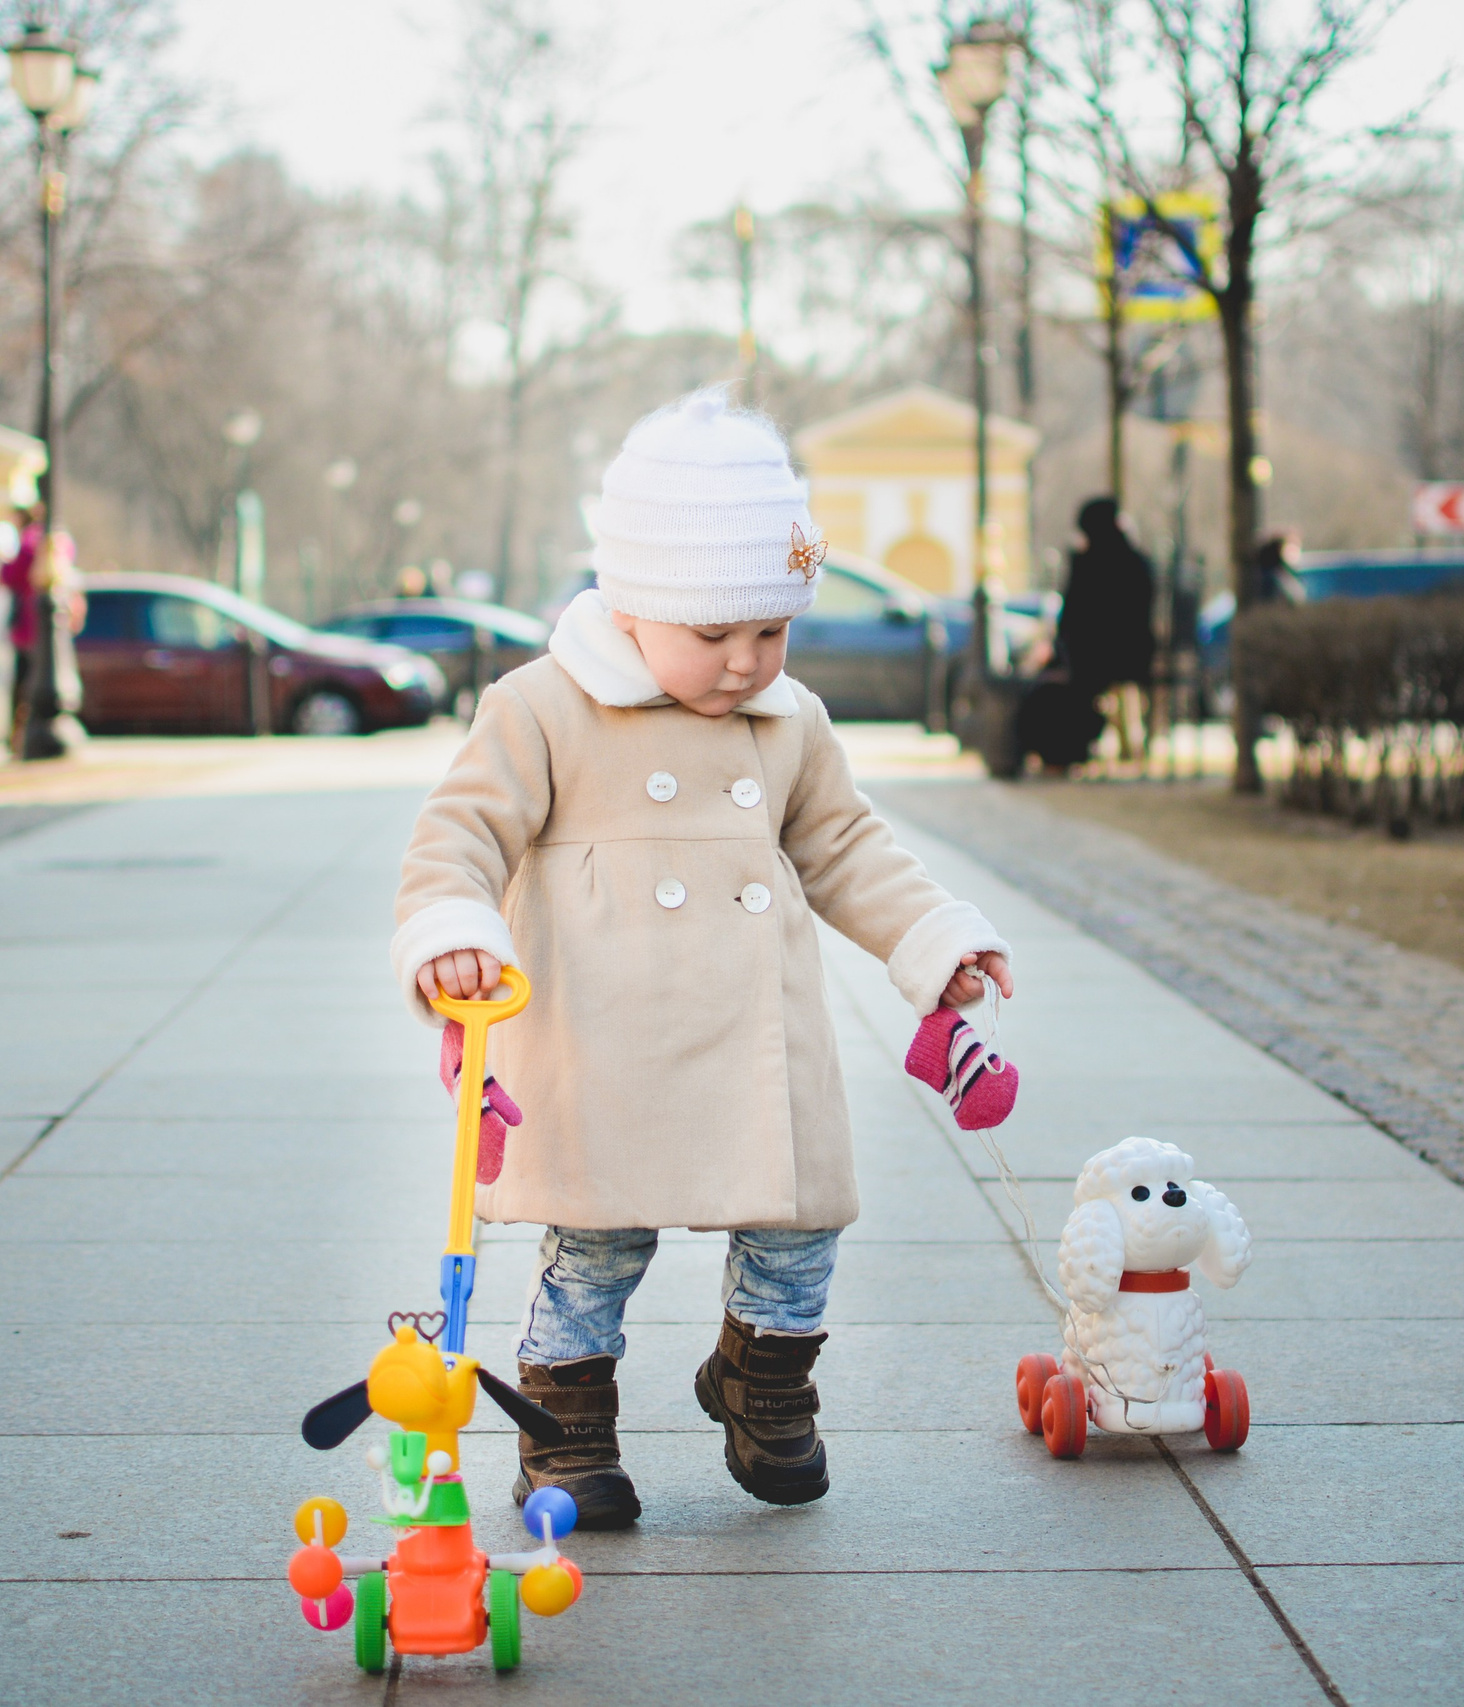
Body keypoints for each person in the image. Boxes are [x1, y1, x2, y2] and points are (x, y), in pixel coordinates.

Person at [394, 387, 1020, 1530]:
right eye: (714, 634)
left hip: (756, 1036)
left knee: (798, 1224)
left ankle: (763, 1380)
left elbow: (844, 845)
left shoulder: (790, 724)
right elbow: (460, 833)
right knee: (594, 1245)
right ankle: (565, 1432)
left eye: (770, 632)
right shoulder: (541, 708)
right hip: (603, 1034)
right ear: (633, 605)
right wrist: (455, 936)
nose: (744, 664)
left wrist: (935, 945)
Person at [1056, 498, 1157, 762]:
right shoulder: (1138, 562)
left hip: (1094, 658)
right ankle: (1130, 739)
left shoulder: (1086, 564)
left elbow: (1071, 615)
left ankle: (1079, 742)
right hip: (1135, 654)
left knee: (1077, 673)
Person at [0, 505, 41, 747]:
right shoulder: (50, 540)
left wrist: (4, 561)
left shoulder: (27, 544)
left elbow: (9, 576)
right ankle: (24, 734)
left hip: (28, 626)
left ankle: (18, 737)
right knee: (32, 682)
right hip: (39, 627)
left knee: (23, 685)